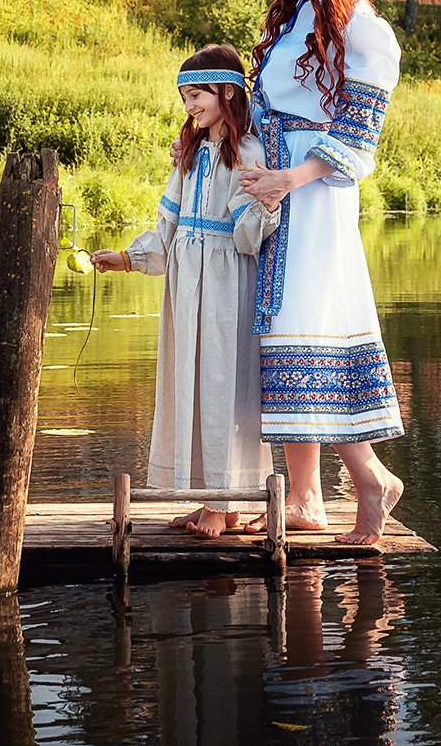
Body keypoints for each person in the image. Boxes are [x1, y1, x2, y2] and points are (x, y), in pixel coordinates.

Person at [236, 0, 406, 546]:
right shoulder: (296, 15)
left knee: (307, 325)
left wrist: (291, 177)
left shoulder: (359, 23)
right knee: (282, 335)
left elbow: (361, 128)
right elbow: (269, 106)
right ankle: (306, 497)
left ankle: (371, 477)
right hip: (277, 189)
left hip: (316, 195)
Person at [94, 44, 281, 540]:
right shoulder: (191, 154)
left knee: (222, 384)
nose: (189, 106)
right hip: (185, 286)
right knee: (191, 386)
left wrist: (265, 204)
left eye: (196, 95)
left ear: (226, 92)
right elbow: (170, 224)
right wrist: (129, 258)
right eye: (184, 98)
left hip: (222, 287)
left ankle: (227, 501)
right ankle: (207, 499)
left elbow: (246, 236)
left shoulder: (249, 155)